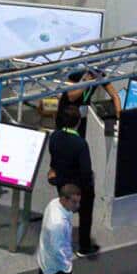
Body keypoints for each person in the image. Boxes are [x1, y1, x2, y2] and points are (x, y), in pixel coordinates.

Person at [46, 104, 98, 259]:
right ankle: (84, 247)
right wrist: (90, 184)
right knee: (85, 215)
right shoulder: (80, 143)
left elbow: (53, 159)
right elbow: (86, 171)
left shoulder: (54, 136)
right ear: (78, 122)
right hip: (79, 188)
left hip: (62, 184)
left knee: (64, 213)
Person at [23, 182, 81, 274]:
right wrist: (67, 267)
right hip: (57, 267)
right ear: (64, 199)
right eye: (74, 202)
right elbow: (57, 250)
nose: (77, 205)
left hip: (46, 258)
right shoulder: (58, 224)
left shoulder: (54, 203)